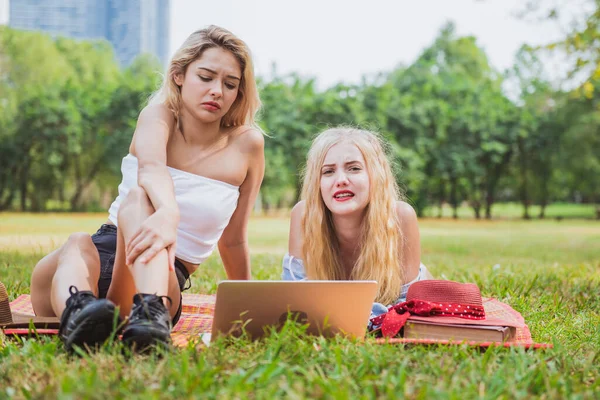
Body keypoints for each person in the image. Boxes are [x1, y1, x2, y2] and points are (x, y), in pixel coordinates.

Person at [30, 25, 265, 351]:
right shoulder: (158, 116)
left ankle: (146, 318)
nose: (217, 91)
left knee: (140, 204)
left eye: (230, 84)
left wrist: (248, 307)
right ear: (179, 75)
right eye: (206, 77)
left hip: (156, 280)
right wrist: (169, 213)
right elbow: (151, 170)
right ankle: (81, 313)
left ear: (240, 92)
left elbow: (234, 239)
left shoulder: (248, 145)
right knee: (80, 239)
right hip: (87, 266)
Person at [282, 127, 432, 315]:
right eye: (328, 171)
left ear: (375, 176)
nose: (341, 180)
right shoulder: (303, 215)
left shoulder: (401, 216)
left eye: (354, 168)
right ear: (317, 183)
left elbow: (405, 307)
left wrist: (335, 314)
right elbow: (294, 298)